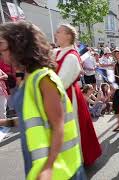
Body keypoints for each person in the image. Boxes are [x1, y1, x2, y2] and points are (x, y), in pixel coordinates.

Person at [0, 21, 85, 179]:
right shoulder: (27, 78)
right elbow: (31, 120)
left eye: (2, 45)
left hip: (61, 170)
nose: (0, 51)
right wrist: (4, 122)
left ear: (18, 46)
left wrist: (48, 167)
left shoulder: (43, 78)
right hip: (38, 164)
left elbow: (58, 126)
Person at [54, 23, 102, 166]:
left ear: (68, 36)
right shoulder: (56, 52)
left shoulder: (72, 57)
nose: (56, 34)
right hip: (60, 96)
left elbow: (61, 83)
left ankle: (77, 159)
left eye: (59, 32)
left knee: (74, 128)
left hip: (68, 96)